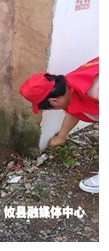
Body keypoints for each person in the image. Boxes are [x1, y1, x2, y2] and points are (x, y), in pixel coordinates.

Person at [19, 57, 99, 194]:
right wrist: (62, 136)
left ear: (55, 101)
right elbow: (75, 110)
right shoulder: (73, 84)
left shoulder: (96, 89)